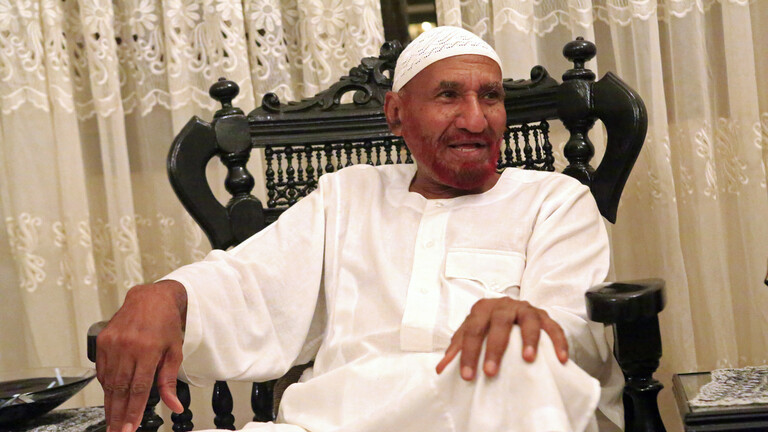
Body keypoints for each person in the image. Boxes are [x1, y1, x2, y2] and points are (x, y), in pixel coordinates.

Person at [96, 26, 623, 432]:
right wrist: (168, 296)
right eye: (448, 96)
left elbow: (573, 337)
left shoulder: (554, 202)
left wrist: (529, 322)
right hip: (330, 422)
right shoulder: (347, 197)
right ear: (396, 114)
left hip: (482, 417)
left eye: (490, 97)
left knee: (521, 363)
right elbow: (248, 285)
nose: (476, 120)